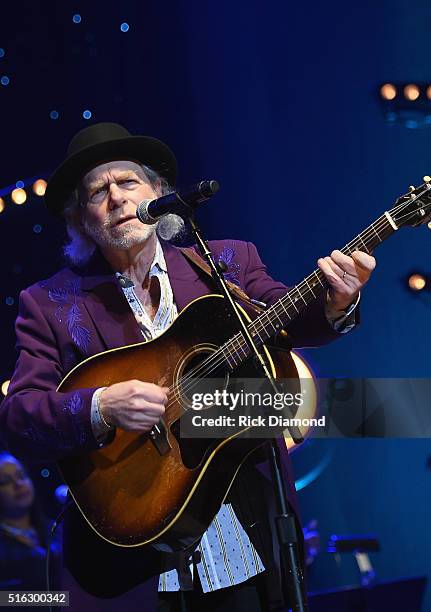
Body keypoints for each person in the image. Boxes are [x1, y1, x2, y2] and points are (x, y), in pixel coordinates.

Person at [0, 123, 376, 611]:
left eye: (128, 182)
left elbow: (288, 317)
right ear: (80, 218)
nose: (116, 198)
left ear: (160, 194)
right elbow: (19, 418)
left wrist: (336, 302)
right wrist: (101, 405)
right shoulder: (50, 303)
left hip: (243, 542)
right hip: (134, 560)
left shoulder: (228, 263)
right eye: (98, 191)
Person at [0, 451, 61, 592]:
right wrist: (62, 599)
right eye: (5, 481)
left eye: (21, 475)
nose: (18, 484)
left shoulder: (55, 529)